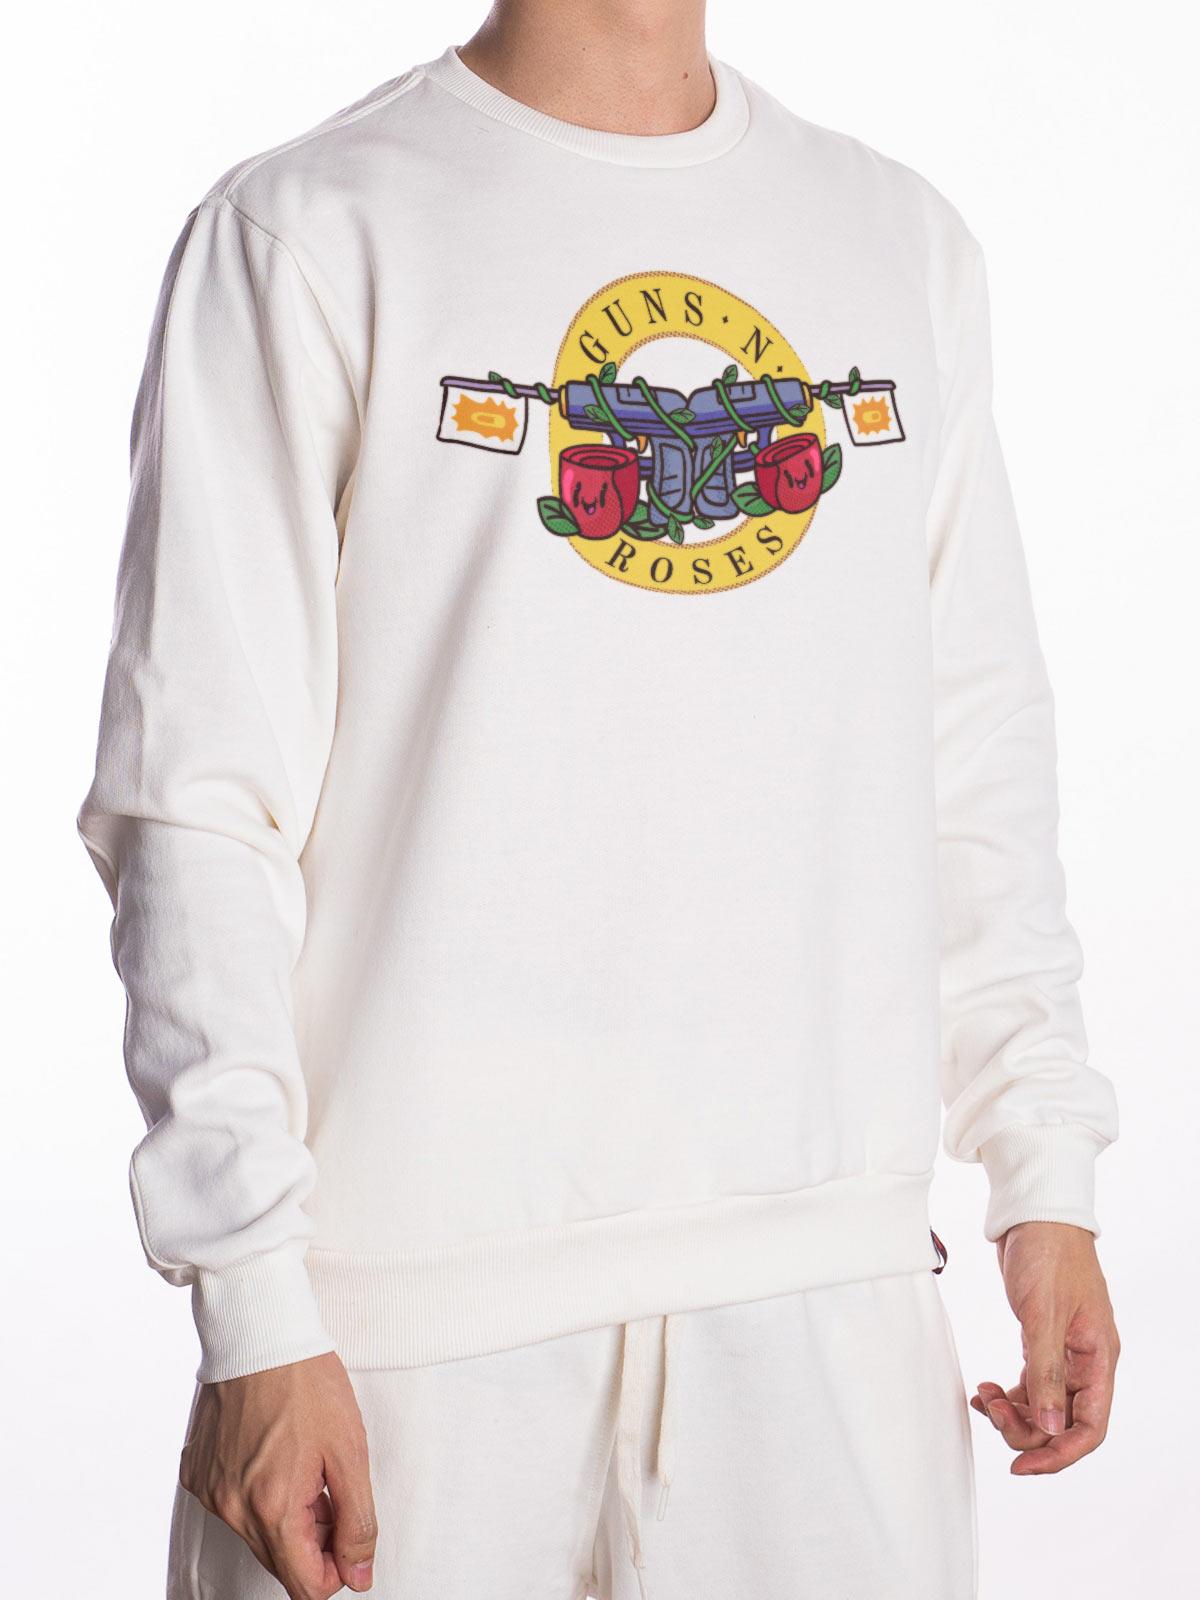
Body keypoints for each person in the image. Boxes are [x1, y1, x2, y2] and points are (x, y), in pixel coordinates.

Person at [78, 2, 1121, 1597]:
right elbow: (195, 800)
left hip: (827, 1295)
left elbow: (974, 748)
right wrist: (255, 1302)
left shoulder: (899, 243)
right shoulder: (307, 232)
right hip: (403, 1330)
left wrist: (1043, 1172)